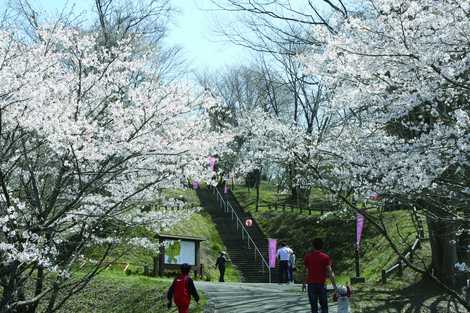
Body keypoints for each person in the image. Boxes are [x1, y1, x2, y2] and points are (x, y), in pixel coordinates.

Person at [303, 238, 337, 313]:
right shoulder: (325, 257)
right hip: (322, 284)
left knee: (314, 307)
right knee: (324, 306)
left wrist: (304, 283)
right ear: (322, 246)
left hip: (311, 284)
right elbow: (330, 272)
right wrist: (334, 286)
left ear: (313, 246)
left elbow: (306, 271)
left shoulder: (308, 257)